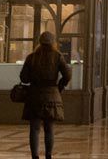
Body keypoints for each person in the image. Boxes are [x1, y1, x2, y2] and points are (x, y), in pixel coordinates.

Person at [19, 31, 71, 159]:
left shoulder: (32, 57)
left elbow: (24, 78)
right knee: (49, 128)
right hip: (52, 96)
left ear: (39, 42)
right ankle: (48, 155)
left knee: (34, 128)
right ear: (53, 43)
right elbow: (67, 75)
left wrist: (33, 78)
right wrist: (59, 86)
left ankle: (35, 156)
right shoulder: (57, 56)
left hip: (35, 95)